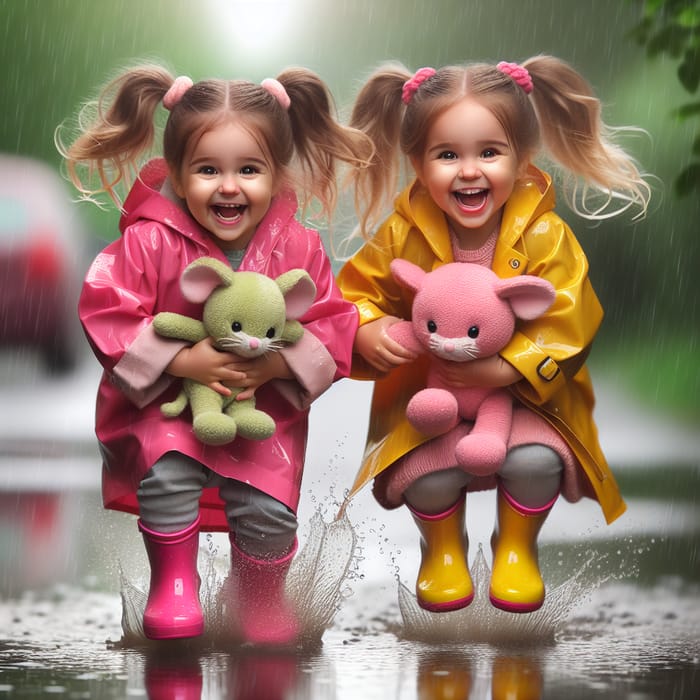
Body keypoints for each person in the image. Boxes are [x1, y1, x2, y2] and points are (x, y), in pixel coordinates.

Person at [57, 63, 372, 644]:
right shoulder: (148, 239)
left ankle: (258, 597)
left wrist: (277, 363)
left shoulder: (296, 245)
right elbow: (107, 307)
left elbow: (331, 321)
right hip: (166, 410)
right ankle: (173, 584)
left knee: (267, 509)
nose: (229, 186)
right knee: (168, 475)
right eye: (207, 170)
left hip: (263, 412)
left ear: (276, 175)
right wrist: (182, 361)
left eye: (248, 170)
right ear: (177, 174)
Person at [336, 56, 650, 614]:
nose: (469, 171)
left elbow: (570, 316)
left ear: (519, 156)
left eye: (489, 152)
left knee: (536, 463)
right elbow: (352, 296)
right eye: (447, 155)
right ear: (417, 161)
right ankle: (443, 549)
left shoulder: (546, 234)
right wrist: (369, 329)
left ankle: (516, 549)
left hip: (524, 401)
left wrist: (506, 368)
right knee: (427, 474)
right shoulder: (401, 233)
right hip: (431, 401)